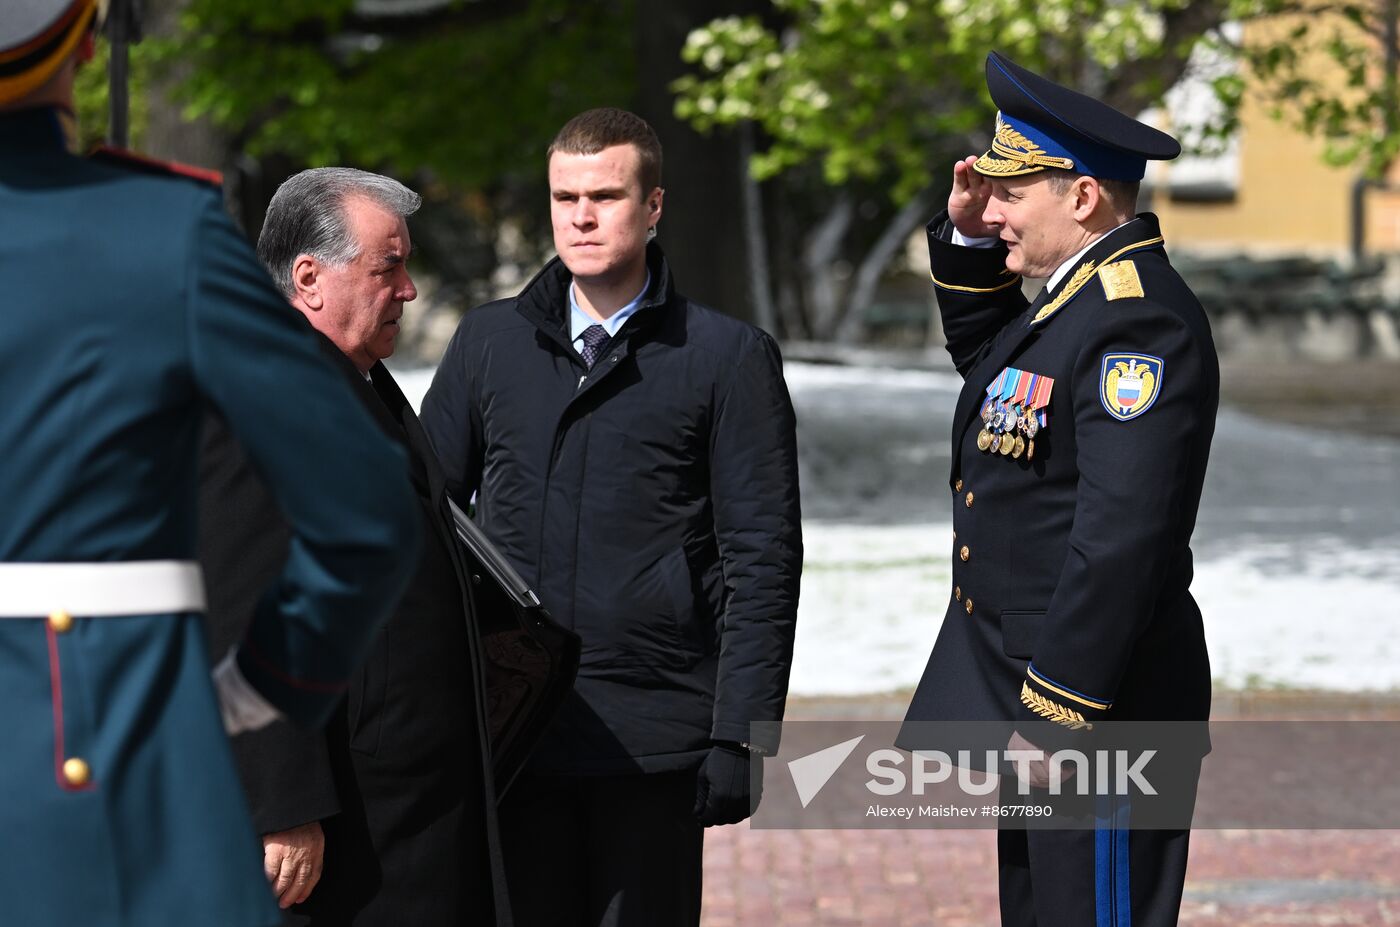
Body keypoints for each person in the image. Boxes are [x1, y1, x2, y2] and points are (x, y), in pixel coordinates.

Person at [0, 5, 422, 927]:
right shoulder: (156, 230)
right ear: (81, 42)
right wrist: (247, 699)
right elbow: (365, 519)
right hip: (110, 755)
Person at [421, 107, 803, 927]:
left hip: (654, 734)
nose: (583, 216)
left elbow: (762, 555)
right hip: (514, 731)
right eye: (565, 197)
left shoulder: (725, 356)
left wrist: (743, 733)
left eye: (605, 195)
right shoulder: (488, 342)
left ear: (654, 205)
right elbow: (425, 519)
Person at [896, 52, 1219, 927]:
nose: (992, 209)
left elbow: (1121, 539)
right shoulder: (1075, 303)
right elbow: (996, 373)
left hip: (1099, 710)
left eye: (1012, 195)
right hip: (1047, 702)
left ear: (1081, 199)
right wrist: (968, 240)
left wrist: (1058, 710)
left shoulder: (1135, 319)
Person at [200, 167, 509, 925]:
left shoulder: (359, 381)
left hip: (408, 808)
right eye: (387, 266)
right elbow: (244, 605)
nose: (406, 289)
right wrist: (283, 802)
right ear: (309, 277)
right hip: (347, 827)